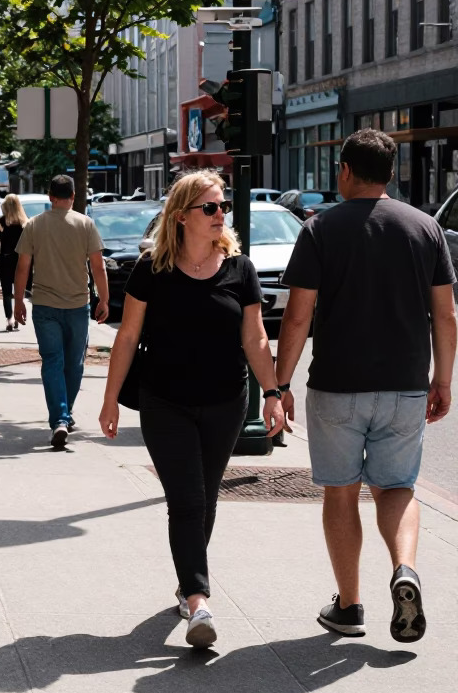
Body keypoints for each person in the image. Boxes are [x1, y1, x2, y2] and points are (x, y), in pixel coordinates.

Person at [275, 129, 457, 643]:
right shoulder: (425, 228)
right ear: (393, 173)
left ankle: (350, 606)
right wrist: (441, 379)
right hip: (404, 386)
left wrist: (279, 383)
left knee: (342, 492)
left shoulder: (320, 228)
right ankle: (405, 569)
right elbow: (445, 315)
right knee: (397, 487)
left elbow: (296, 318)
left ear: (346, 171)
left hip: (337, 386)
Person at [98, 170, 285, 648]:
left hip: (226, 402)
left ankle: (186, 584)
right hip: (165, 402)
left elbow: (256, 337)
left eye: (223, 206)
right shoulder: (151, 269)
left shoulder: (239, 270)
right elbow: (128, 337)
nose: (221, 214)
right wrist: (109, 400)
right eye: (211, 208)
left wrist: (272, 392)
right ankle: (200, 600)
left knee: (205, 499)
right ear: (182, 217)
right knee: (187, 501)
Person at [14, 176, 110, 448]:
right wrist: (104, 299)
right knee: (75, 362)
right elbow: (98, 266)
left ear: (50, 196)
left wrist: (18, 301)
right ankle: (63, 415)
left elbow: (23, 267)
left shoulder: (34, 225)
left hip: (44, 305)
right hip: (78, 305)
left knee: (52, 361)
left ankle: (59, 417)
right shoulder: (85, 224)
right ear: (73, 195)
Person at [0, 194, 29, 332]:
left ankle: (10, 318)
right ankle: (18, 314)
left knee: (6, 291)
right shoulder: (25, 223)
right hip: (21, 260)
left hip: (6, 259)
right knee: (20, 289)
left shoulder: (1, 222)